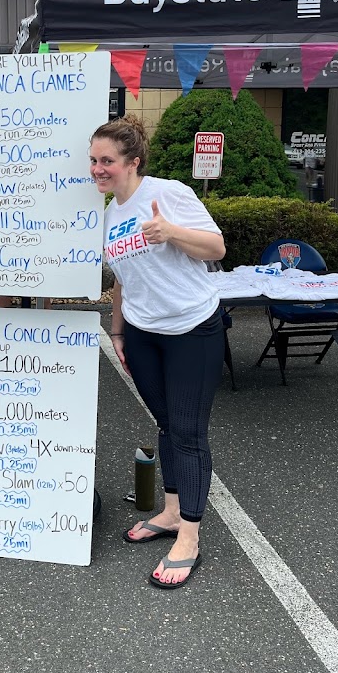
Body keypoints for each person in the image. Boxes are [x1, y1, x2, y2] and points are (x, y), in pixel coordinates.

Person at [89, 114, 226, 589]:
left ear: (133, 162)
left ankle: (189, 537)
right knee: (167, 424)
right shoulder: (110, 213)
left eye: (107, 160)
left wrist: (171, 233)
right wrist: (118, 331)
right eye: (93, 160)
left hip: (192, 328)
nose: (98, 168)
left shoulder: (168, 194)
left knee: (188, 433)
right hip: (143, 333)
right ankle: (170, 512)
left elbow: (216, 248)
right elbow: (124, 279)